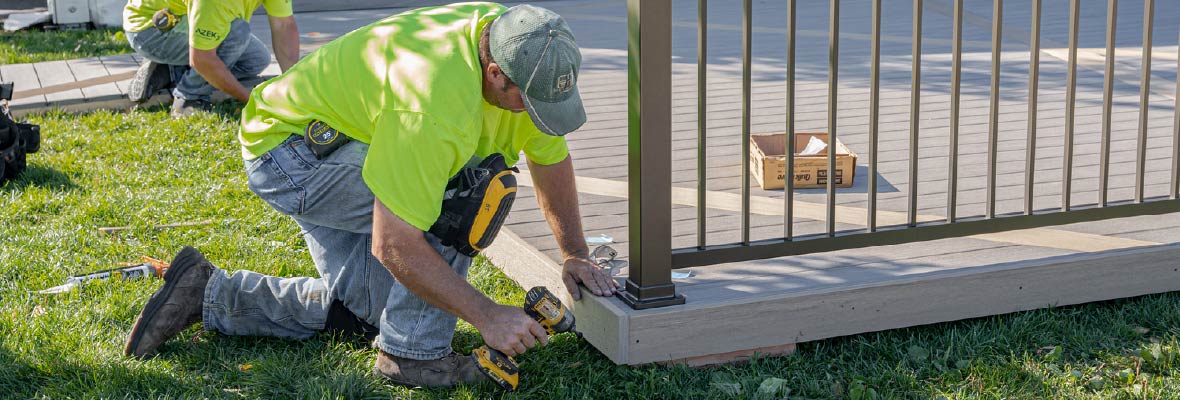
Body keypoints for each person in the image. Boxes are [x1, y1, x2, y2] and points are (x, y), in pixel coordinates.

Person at [123, 2, 619, 388]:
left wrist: (574, 253)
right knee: (461, 202)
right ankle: (413, 357)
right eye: (528, 103)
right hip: (292, 157)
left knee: (374, 313)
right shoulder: (433, 105)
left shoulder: (523, 44)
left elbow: (550, 158)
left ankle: (208, 293)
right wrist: (486, 314)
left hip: (339, 142)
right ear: (494, 75)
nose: (538, 116)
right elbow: (394, 244)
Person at [121, 0, 300, 116]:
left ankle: (172, 68)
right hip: (150, 32)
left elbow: (283, 25)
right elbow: (201, 58)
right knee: (237, 33)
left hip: (191, 17)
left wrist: (294, 85)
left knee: (256, 59)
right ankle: (190, 95)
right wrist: (255, 101)